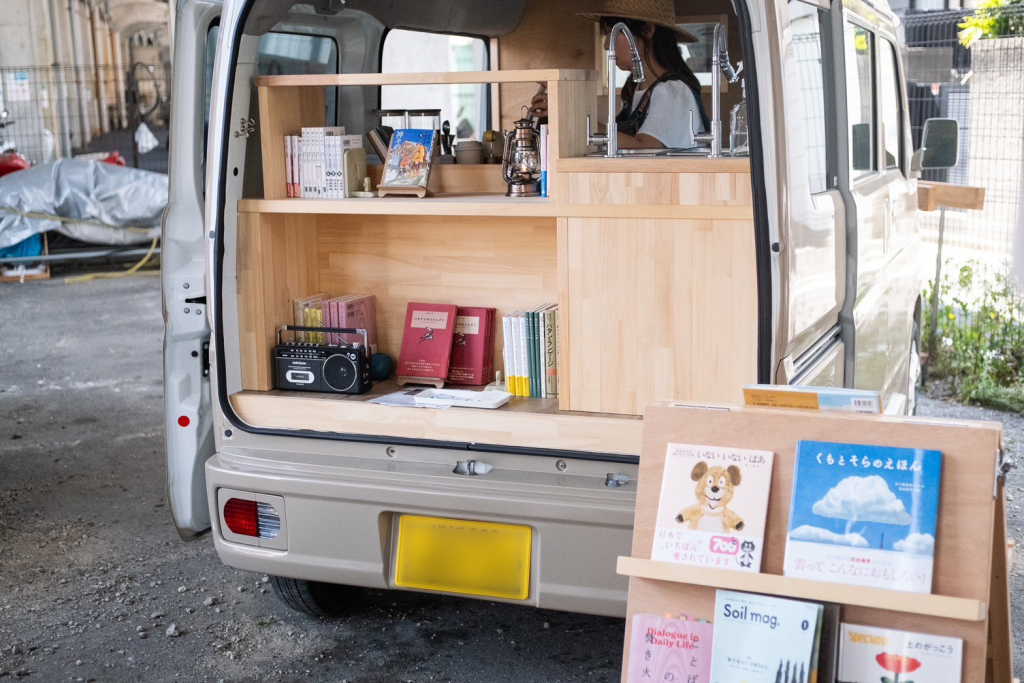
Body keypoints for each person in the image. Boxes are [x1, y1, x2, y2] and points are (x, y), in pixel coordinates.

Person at [529, 0, 711, 150]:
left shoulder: (673, 91)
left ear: (648, 30)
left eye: (614, 33)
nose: (607, 45)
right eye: (607, 35)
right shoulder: (636, 89)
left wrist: (568, 112)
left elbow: (645, 150)